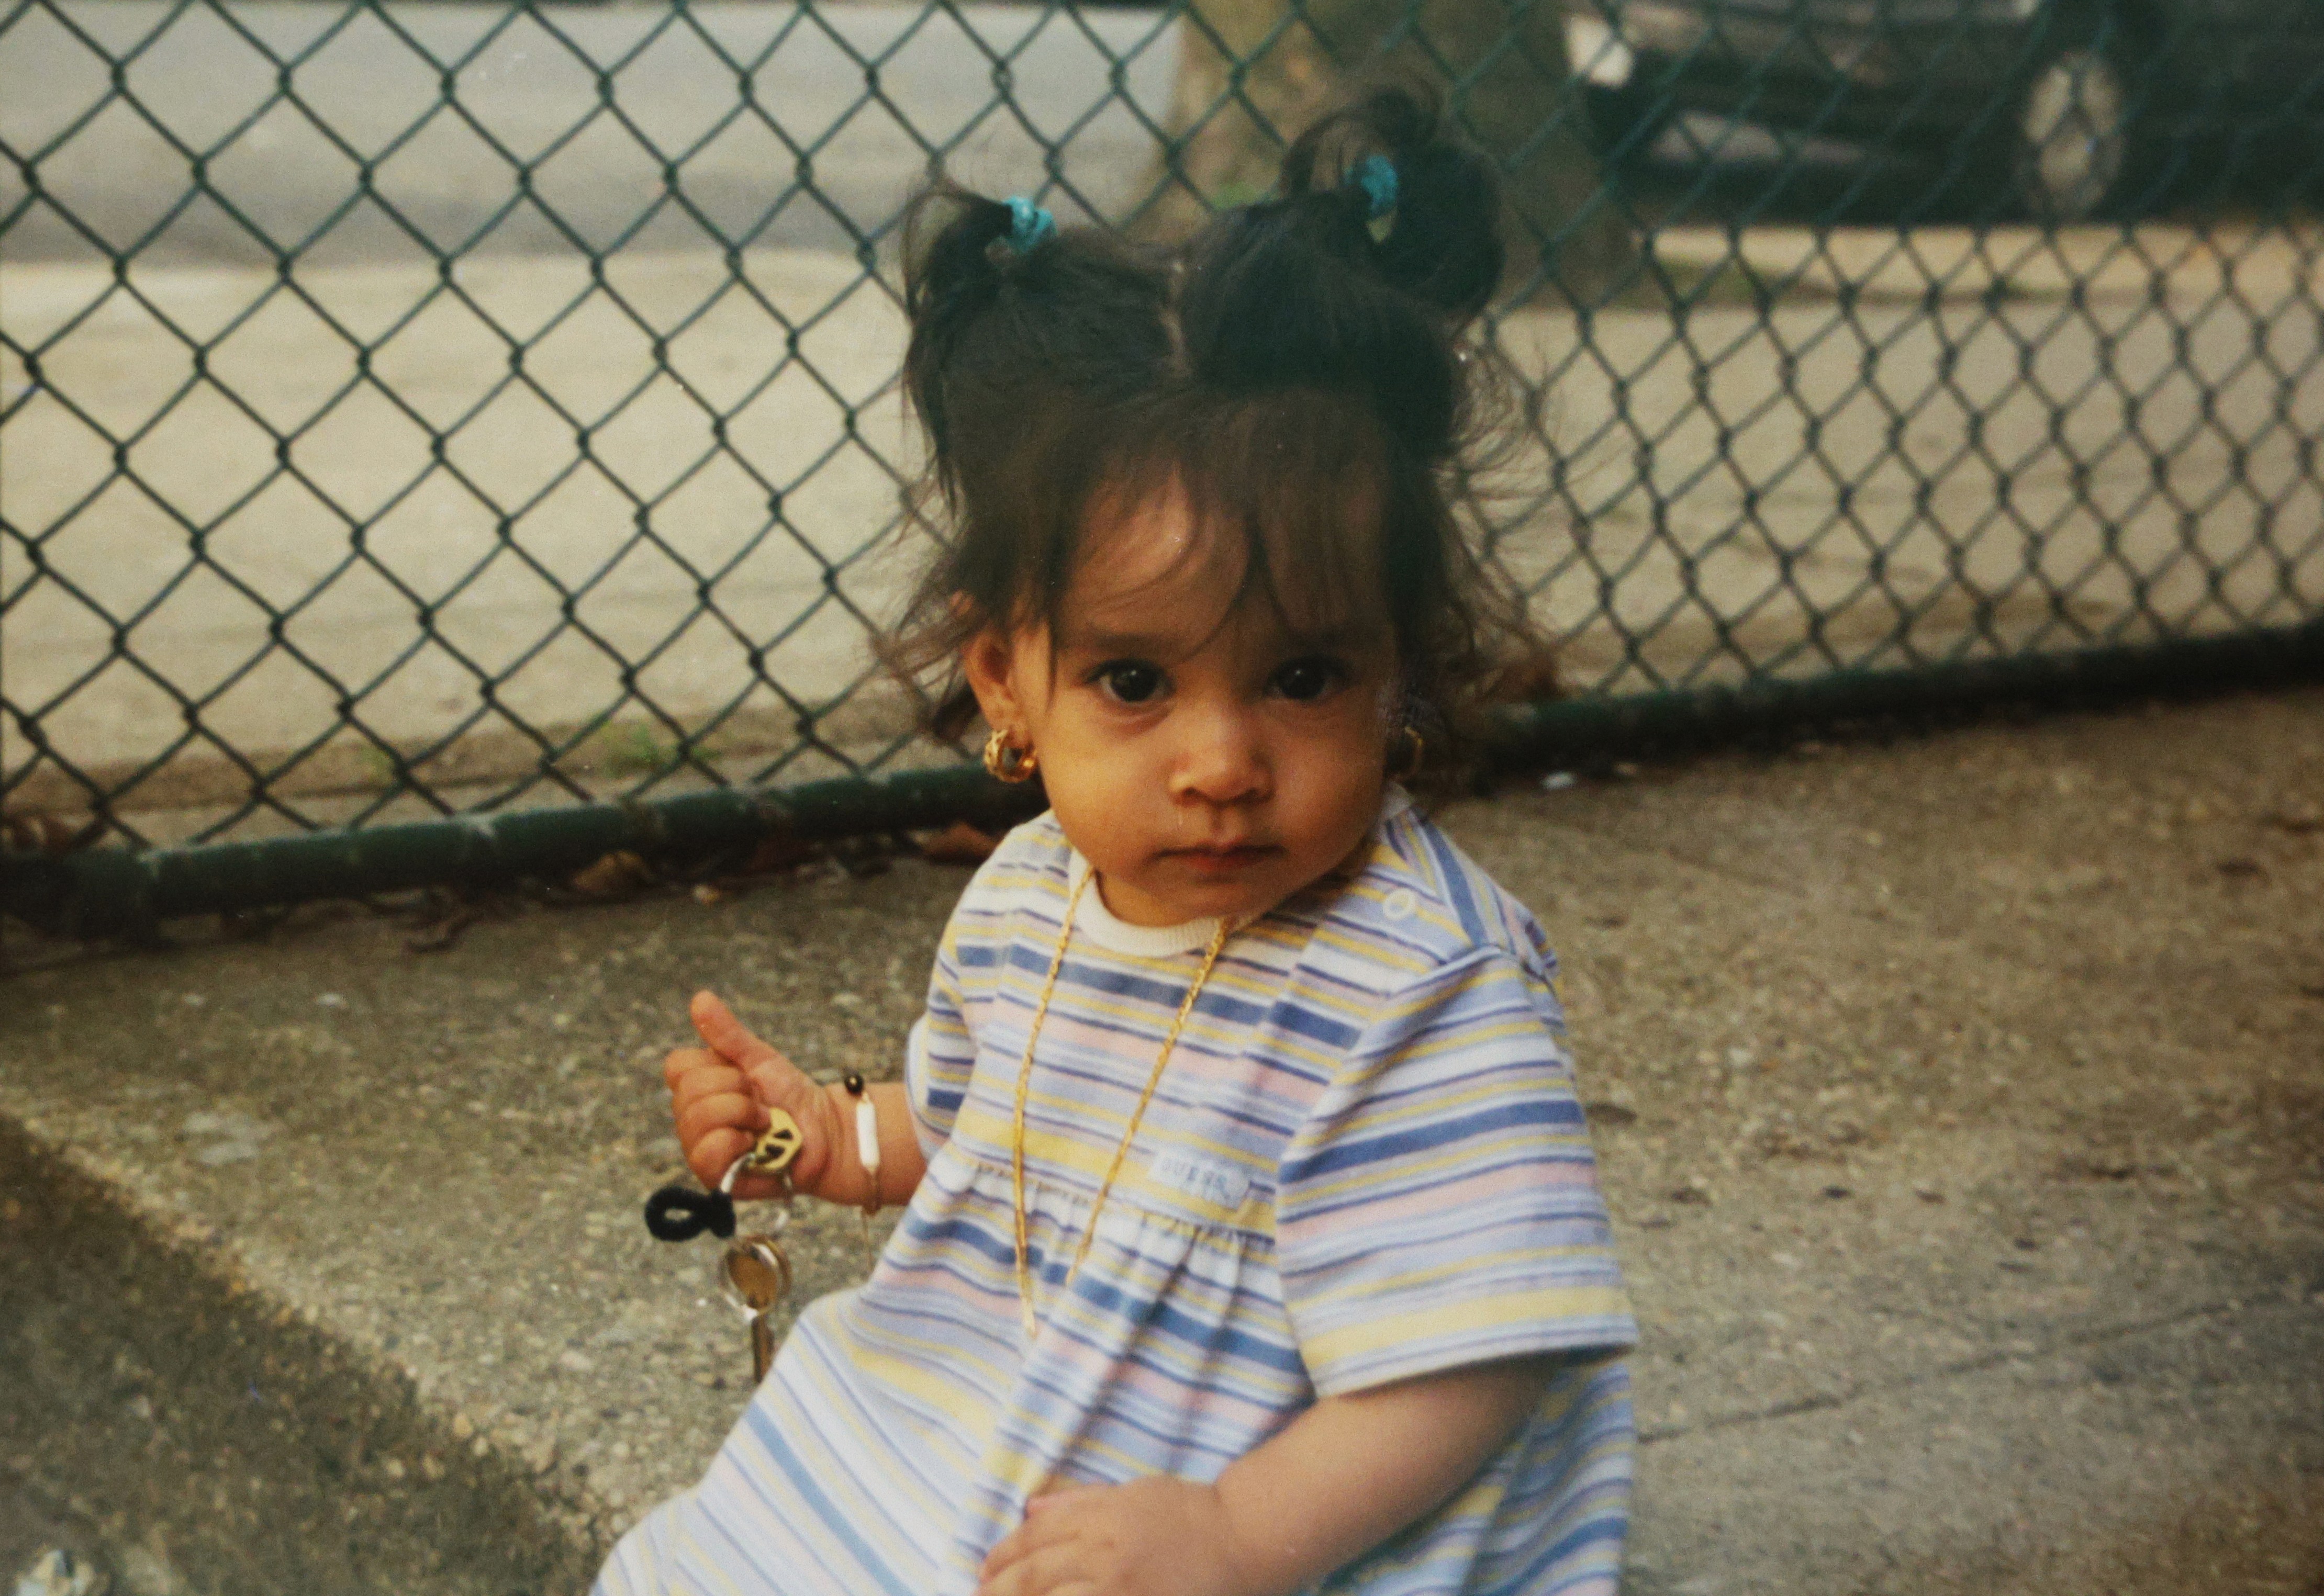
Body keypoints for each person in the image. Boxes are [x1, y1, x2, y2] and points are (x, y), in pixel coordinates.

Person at [597, 88, 1636, 1596]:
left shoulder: (1421, 988)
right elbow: (992, 1130)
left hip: (1283, 1497)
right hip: (1031, 1408)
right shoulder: (1030, 901)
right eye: (1136, 683)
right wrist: (833, 1138)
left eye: (1303, 677)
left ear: (1397, 665)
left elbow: (1471, 1367)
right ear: (1007, 682)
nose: (1221, 764)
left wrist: (1237, 1536)